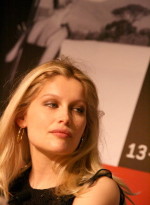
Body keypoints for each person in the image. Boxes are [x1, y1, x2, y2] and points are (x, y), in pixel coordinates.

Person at [0, 57, 133, 205]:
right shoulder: (9, 185)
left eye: (78, 109)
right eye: (52, 104)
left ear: (86, 126)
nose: (65, 117)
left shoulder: (97, 189)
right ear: (22, 117)